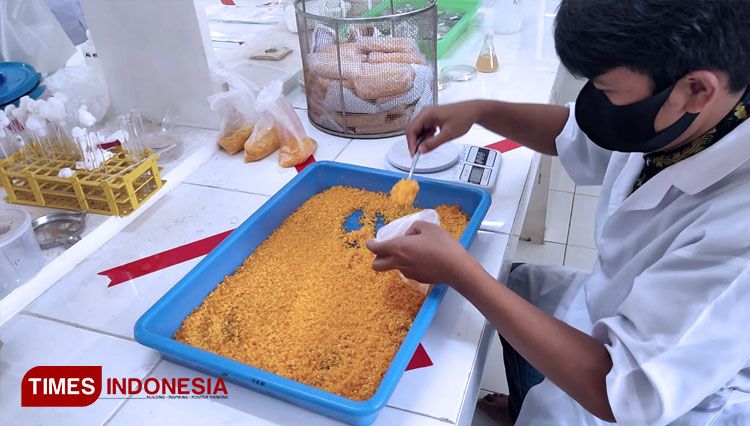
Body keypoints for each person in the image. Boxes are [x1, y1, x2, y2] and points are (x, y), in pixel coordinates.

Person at [365, 0, 750, 424]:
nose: (598, 106)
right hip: (615, 300)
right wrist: (480, 111)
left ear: (696, 89)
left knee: (483, 287)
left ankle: (531, 407)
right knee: (510, 279)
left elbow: (625, 393)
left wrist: (459, 271)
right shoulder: (691, 116)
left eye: (606, 92)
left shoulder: (737, 231)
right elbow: (575, 135)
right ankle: (521, 400)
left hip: (671, 393)